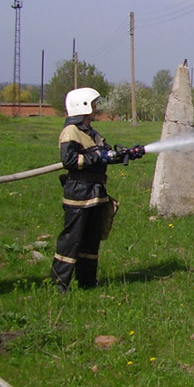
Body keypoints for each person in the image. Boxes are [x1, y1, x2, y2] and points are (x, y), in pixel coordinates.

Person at [51, 87, 144, 292]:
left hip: (96, 193)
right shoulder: (71, 132)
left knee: (92, 240)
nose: (96, 108)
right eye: (93, 104)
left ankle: (87, 281)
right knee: (72, 240)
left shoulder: (92, 133)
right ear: (83, 106)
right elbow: (69, 160)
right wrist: (98, 157)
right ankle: (59, 283)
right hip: (79, 193)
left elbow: (107, 154)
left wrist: (129, 154)